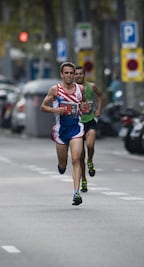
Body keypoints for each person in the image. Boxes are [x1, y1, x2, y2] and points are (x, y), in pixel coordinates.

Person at [40, 62, 85, 206]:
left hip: (76, 128)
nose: (69, 75)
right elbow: (42, 107)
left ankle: (76, 193)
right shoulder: (55, 90)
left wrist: (84, 107)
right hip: (61, 131)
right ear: (61, 74)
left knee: (76, 159)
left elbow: (84, 105)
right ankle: (61, 165)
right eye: (66, 73)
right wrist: (55, 110)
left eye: (71, 73)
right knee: (63, 163)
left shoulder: (80, 89)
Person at [74, 66, 103, 193]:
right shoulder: (71, 89)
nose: (79, 76)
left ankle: (90, 161)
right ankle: (84, 181)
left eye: (81, 74)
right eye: (77, 74)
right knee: (80, 157)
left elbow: (100, 95)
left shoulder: (91, 87)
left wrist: (99, 110)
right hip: (77, 124)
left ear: (84, 75)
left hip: (90, 121)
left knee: (90, 145)